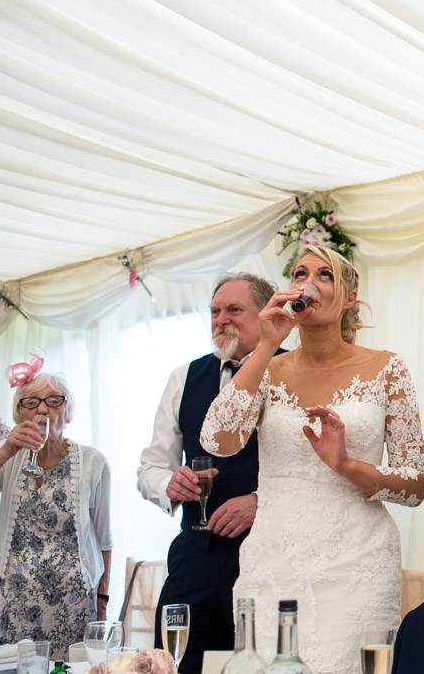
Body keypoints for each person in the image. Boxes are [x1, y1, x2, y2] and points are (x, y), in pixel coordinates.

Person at [201, 246, 424, 674]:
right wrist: (268, 343)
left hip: (357, 564)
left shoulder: (387, 369)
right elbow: (217, 439)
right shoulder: (267, 367)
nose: (308, 283)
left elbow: (416, 485)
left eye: (324, 275)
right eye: (300, 273)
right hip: (271, 564)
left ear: (349, 297)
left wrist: (347, 466)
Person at [137, 272, 276, 674]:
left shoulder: (294, 372)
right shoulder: (183, 378)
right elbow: (150, 468)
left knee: (258, 665)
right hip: (194, 555)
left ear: (266, 315)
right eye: (215, 311)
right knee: (171, 662)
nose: (221, 319)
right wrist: (169, 483)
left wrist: (259, 503)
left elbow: (319, 471)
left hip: (265, 556)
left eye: (234, 309)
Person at [0, 357, 112, 658]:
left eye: (54, 401)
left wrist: (103, 603)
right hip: (11, 612)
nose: (42, 409)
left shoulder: (93, 462)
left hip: (72, 611)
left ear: (66, 412)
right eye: (31, 402)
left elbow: (105, 540)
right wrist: (5, 451)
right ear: (19, 414)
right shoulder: (11, 458)